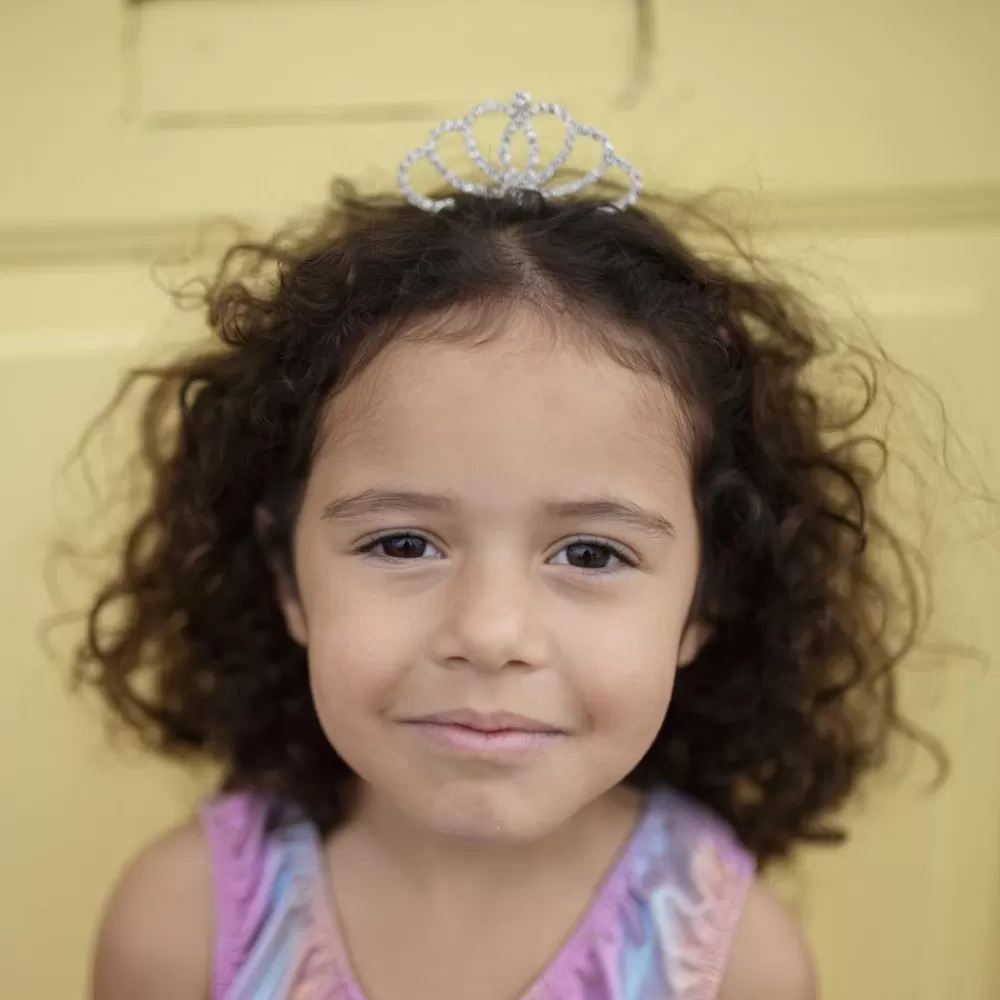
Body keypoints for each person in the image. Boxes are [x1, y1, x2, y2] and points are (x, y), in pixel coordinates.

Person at [78, 92, 926, 999]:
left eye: (592, 554)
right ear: (289, 575)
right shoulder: (184, 927)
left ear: (703, 600)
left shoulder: (735, 963)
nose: (488, 631)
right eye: (403, 542)